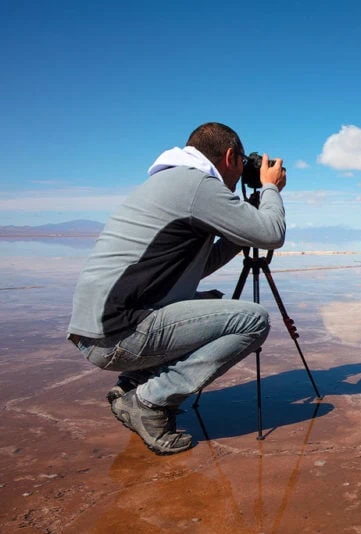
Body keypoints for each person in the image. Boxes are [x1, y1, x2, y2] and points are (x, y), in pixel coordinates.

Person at [67, 122, 287, 455]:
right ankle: (149, 401)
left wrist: (242, 228)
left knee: (209, 302)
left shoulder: (173, 181)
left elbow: (201, 267)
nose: (244, 171)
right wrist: (270, 189)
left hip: (99, 327)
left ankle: (131, 384)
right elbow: (272, 233)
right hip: (114, 334)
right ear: (230, 156)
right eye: (243, 162)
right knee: (252, 319)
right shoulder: (198, 185)